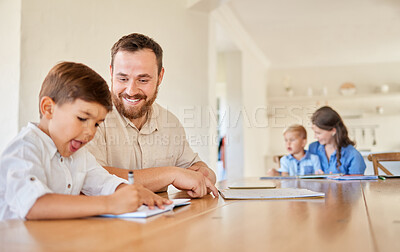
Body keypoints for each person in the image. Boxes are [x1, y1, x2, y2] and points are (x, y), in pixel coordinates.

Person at [0, 62, 171, 220]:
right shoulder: (24, 149)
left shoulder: (79, 155)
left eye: (97, 124)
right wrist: (110, 204)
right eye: (82, 119)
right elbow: (35, 205)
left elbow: (102, 181)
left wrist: (130, 191)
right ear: (48, 108)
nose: (90, 132)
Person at [86, 33, 218, 198]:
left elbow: (195, 167)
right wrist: (170, 174)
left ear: (160, 76)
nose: (131, 91)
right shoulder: (91, 118)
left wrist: (204, 174)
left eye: (143, 80)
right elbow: (92, 177)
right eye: (123, 78)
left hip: (162, 221)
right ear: (111, 73)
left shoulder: (170, 123)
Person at [309, 106, 366, 175]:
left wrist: (338, 182)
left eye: (318, 133)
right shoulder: (313, 148)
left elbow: (357, 184)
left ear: (333, 131)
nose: (315, 136)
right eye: (314, 132)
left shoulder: (353, 156)